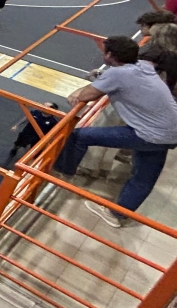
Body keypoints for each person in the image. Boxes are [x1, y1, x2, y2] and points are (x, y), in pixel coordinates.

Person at [53, 37, 177, 228]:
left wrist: (81, 90)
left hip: (148, 133)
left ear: (109, 55)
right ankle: (118, 215)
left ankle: (63, 173)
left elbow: (86, 95)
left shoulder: (118, 75)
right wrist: (102, 77)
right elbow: (123, 80)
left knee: (80, 136)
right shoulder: (143, 66)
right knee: (144, 177)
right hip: (170, 133)